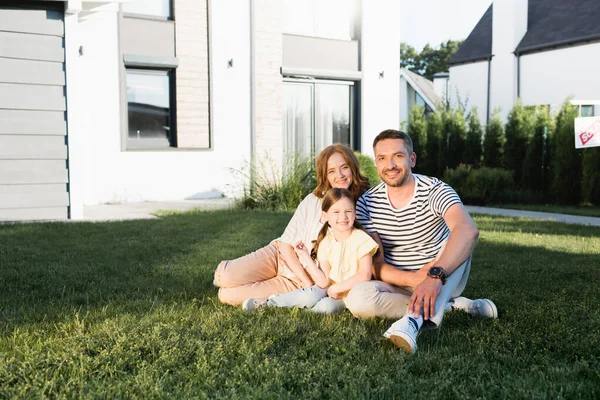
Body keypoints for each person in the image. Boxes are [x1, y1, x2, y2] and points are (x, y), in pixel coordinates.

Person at [345, 129, 497, 355]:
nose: (390, 165)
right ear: (376, 163)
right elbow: (377, 265)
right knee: (356, 299)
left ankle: (412, 322)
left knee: (457, 239)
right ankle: (450, 307)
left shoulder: (435, 190)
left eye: (398, 156)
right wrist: (416, 279)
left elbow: (468, 231)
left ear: (412, 159)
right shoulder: (367, 203)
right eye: (382, 158)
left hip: (442, 276)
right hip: (399, 283)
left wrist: (434, 276)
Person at [214, 144, 370, 305]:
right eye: (331, 171)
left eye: (344, 167)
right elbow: (285, 245)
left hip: (297, 281)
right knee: (225, 276)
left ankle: (253, 286)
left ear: (352, 168)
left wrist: (306, 284)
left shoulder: (361, 206)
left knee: (226, 296)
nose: (339, 175)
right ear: (325, 176)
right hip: (279, 257)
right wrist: (306, 281)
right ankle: (234, 276)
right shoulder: (313, 200)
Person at [242, 188, 378, 314]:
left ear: (354, 213)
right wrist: (305, 256)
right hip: (328, 288)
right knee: (309, 294)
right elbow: (323, 281)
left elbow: (364, 275)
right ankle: (270, 303)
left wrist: (336, 289)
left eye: (348, 211)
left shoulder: (361, 238)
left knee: (327, 307)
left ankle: (304, 310)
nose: (343, 217)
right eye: (336, 212)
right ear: (325, 216)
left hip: (350, 294)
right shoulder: (326, 242)